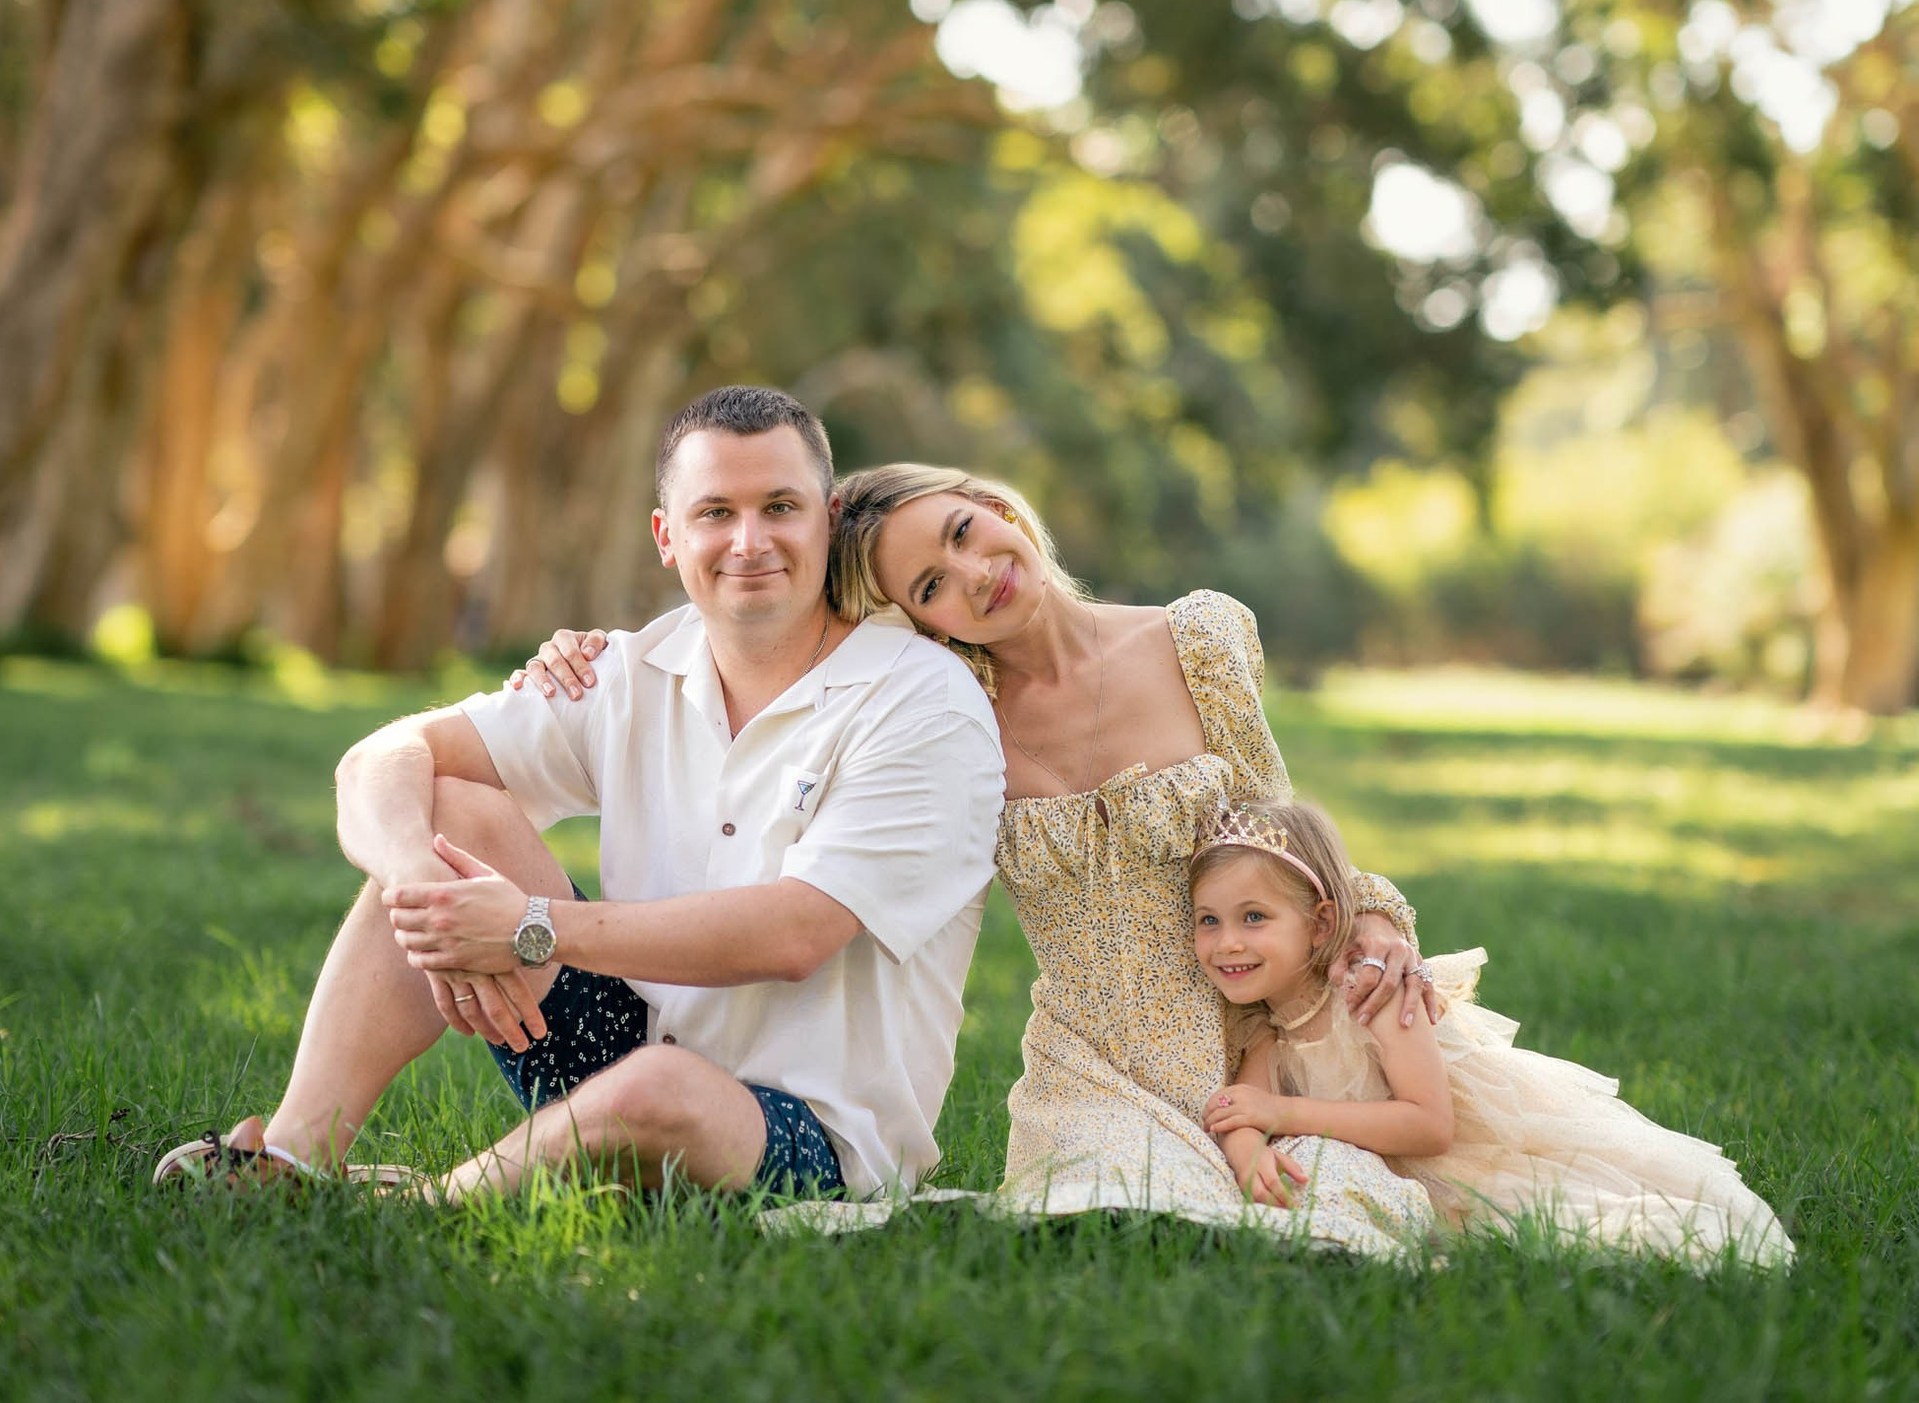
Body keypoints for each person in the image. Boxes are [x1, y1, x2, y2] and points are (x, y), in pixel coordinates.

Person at [515, 462, 1438, 1252]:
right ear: (922, 621)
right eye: (930, 585)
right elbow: (771, 654)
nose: (973, 573)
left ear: (994, 506)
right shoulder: (944, 712)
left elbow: (1276, 824)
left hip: (1266, 1023)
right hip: (1099, 1060)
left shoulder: (1196, 636)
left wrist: (1372, 918)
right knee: (1136, 1221)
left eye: (963, 533)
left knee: (1350, 1207)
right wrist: (594, 657)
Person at [155, 389, 1003, 1202]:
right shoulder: (628, 672)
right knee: (452, 807)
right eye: (716, 513)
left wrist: (526, 927)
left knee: (664, 1089)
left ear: (828, 518)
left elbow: (796, 934)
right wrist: (428, 892)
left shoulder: (919, 699)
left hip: (815, 1136)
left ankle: (406, 1210)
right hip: (618, 1046)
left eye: (780, 507)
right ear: (667, 537)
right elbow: (379, 758)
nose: (750, 541)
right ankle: (295, 1162)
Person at [1193, 797, 1795, 1266]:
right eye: (1208, 921)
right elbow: (1237, 1111)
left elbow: (1429, 1126)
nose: (1228, 943)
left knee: (1583, 1227)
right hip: (1395, 1175)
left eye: (1254, 917)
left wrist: (1282, 1114)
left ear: (1320, 923)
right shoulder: (1268, 1030)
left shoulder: (1371, 994)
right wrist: (1249, 1157)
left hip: (1471, 1160)